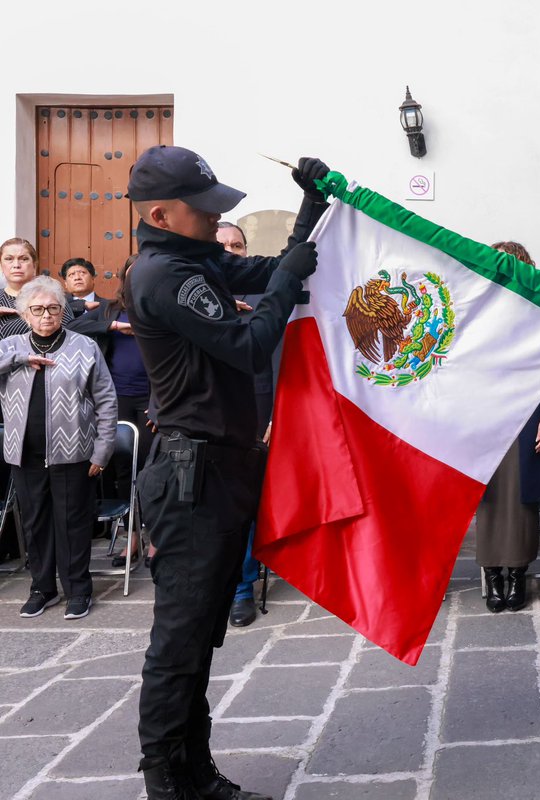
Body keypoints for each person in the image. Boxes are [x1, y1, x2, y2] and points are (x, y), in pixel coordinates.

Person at [126, 145, 327, 800]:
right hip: (193, 474)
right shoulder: (164, 275)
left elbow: (273, 272)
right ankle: (168, 782)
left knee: (200, 634)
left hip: (218, 467)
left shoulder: (191, 259)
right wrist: (283, 279)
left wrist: (311, 211)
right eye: (204, 209)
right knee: (180, 641)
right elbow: (248, 344)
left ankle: (196, 772)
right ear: (161, 212)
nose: (217, 220)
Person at [2, 276, 117, 620]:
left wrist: (102, 451)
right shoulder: (11, 346)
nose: (46, 316)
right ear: (24, 313)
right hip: (25, 452)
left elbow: (106, 400)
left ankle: (78, 590)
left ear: (63, 310)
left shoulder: (84, 346)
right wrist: (19, 360)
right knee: (35, 523)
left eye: (53, 308)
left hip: (74, 452)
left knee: (73, 523)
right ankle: (42, 588)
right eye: (37, 310)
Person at [474, 241, 540, 612]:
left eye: (514, 264)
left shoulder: (536, 310)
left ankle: (518, 574)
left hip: (526, 414)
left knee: (521, 499)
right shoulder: (475, 307)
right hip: (484, 414)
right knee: (489, 498)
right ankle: (493, 575)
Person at [75, 255, 155, 568]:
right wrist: (112, 325)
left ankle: (156, 540)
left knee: (151, 471)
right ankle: (132, 538)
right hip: (117, 398)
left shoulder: (158, 308)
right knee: (123, 469)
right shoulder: (109, 309)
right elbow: (74, 326)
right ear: (124, 278)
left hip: (151, 400)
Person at [216, 221, 271, 628]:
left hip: (256, 410)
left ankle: (241, 588)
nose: (232, 251)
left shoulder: (263, 292)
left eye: (238, 245)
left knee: (246, 504)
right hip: (204, 413)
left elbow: (279, 353)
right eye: (224, 246)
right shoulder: (188, 291)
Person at [0, 239, 75, 337]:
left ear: (34, 265)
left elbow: (69, 329)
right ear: (1, 266)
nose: (16, 265)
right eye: (9, 259)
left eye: (24, 259)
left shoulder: (52, 295)